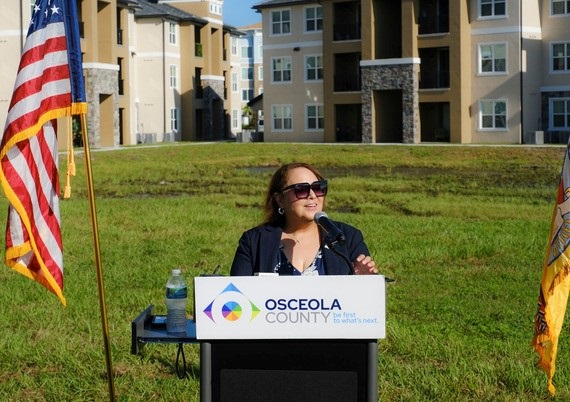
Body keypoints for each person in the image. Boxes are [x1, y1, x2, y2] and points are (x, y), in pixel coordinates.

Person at [230, 162, 378, 276]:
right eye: (301, 189)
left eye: (319, 188)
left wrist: (365, 282)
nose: (313, 195)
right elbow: (236, 298)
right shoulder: (254, 241)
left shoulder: (346, 237)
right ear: (280, 199)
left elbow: (366, 303)